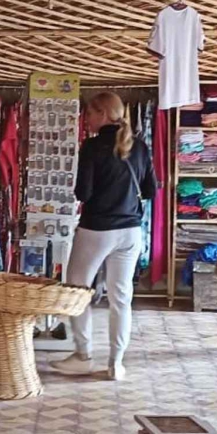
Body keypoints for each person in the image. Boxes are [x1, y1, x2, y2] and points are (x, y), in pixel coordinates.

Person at [50, 91, 156, 381]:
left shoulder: (92, 147)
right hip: (131, 232)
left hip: (97, 229)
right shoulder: (140, 147)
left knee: (78, 290)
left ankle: (83, 355)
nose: (86, 119)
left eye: (90, 113)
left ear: (103, 114)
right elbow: (150, 190)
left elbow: (83, 193)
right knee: (121, 297)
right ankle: (116, 363)